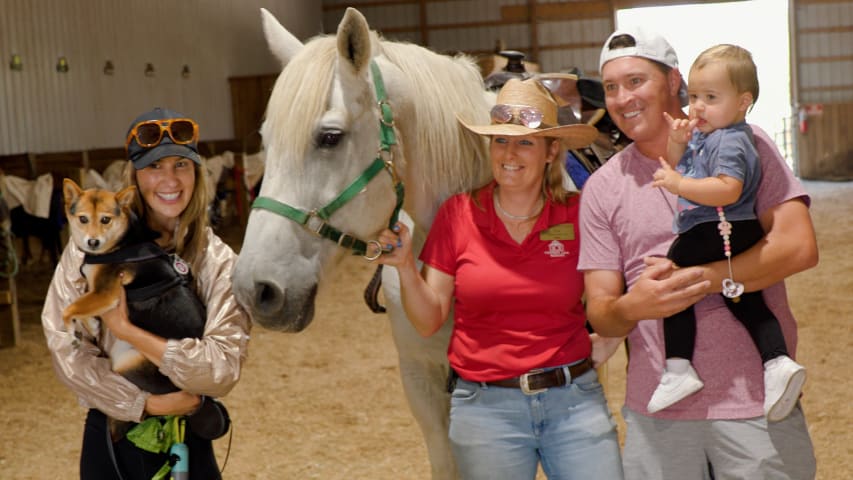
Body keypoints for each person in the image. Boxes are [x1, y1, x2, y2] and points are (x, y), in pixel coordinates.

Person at [579, 27, 817, 479]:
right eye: (611, 87)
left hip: (755, 409)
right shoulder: (603, 188)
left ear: (674, 82)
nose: (622, 98)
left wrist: (704, 279)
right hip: (659, 415)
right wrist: (636, 305)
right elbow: (603, 312)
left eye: (635, 81)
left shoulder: (747, 143)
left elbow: (798, 247)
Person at [375, 78, 624, 480]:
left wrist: (612, 337)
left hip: (574, 404)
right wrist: (404, 266)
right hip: (486, 411)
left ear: (551, 151)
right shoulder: (457, 215)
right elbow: (428, 319)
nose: (509, 154)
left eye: (524, 142)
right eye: (499, 141)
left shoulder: (578, 213)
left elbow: (610, 291)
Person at [42, 107, 251, 480]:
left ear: (196, 174)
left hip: (189, 435)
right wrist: (144, 403)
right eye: (155, 167)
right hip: (115, 433)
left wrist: (127, 331)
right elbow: (66, 346)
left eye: (180, 165)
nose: (169, 180)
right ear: (134, 177)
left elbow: (221, 369)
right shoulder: (92, 249)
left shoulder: (216, 259)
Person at [646, 44, 806, 418]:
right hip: (732, 230)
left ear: (742, 102)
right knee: (748, 301)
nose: (698, 107)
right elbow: (676, 163)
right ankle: (776, 362)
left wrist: (678, 185)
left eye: (711, 97)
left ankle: (678, 366)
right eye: (694, 96)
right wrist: (678, 142)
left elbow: (727, 187)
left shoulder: (731, 139)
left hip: (716, 226)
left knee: (675, 277)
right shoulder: (710, 136)